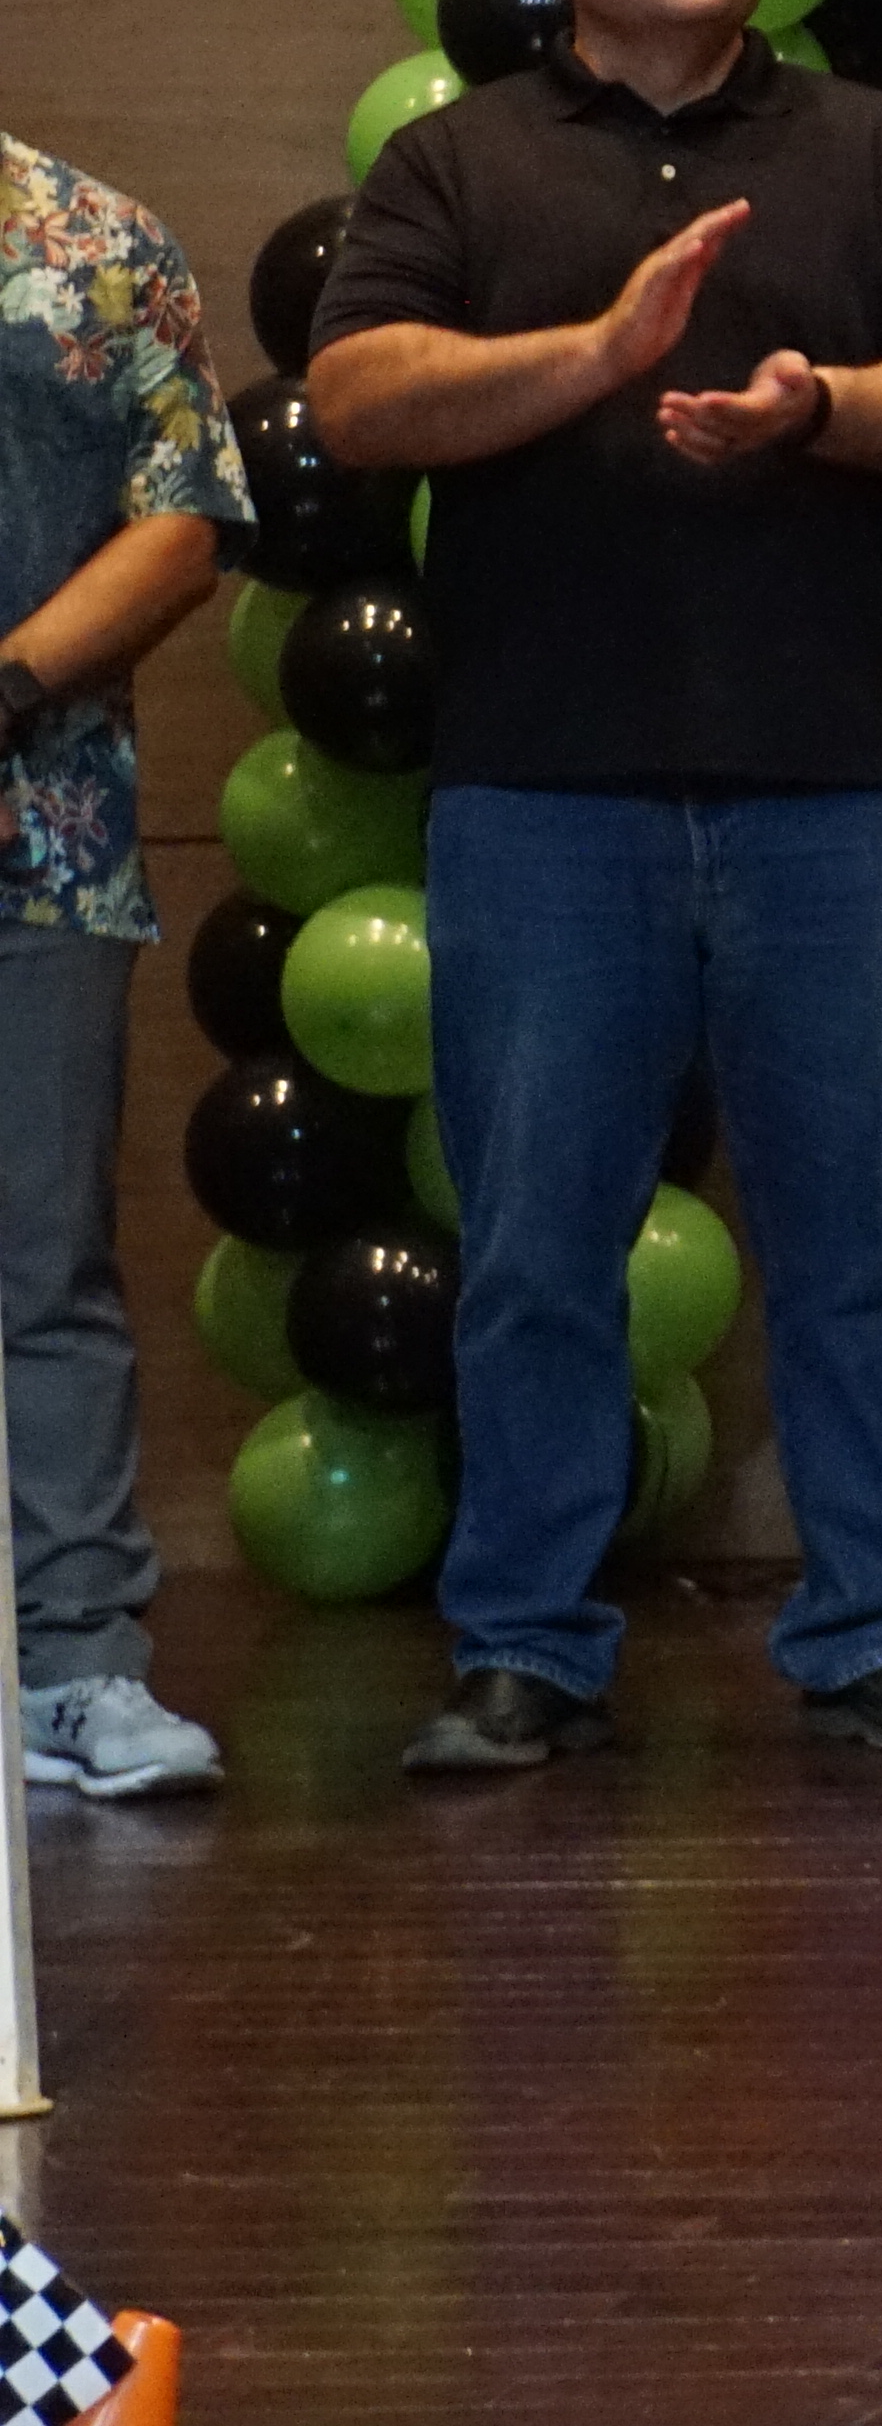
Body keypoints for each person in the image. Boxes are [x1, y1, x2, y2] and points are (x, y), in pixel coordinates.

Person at [302, 0, 882, 1769]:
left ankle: (875, 1621)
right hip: (544, 795)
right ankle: (525, 1640)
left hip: (821, 787)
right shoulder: (465, 161)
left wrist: (820, 403)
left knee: (855, 1245)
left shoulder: (866, 144)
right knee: (539, 1244)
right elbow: (360, 392)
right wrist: (594, 352)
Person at [0, 131, 248, 1798]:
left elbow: (181, 523)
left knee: (42, 1261)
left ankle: (75, 1667)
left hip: (44, 835)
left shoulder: (95, 237)